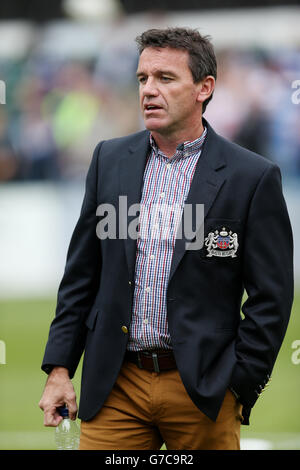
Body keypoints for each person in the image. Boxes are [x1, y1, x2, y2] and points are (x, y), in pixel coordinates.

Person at [39, 27, 294, 450]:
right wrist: (60, 368)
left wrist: (239, 383)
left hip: (202, 389)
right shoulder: (109, 160)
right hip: (117, 386)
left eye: (165, 78)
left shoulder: (252, 177)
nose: (149, 91)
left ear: (204, 88)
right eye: (143, 79)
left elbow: (272, 295)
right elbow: (81, 277)